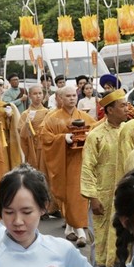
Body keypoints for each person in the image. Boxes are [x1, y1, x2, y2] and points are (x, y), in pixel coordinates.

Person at [39, 86, 97, 245]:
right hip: (64, 161)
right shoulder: (53, 118)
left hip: (82, 161)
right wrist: (64, 138)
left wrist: (88, 134)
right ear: (61, 99)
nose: (72, 98)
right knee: (71, 195)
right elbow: (45, 137)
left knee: (78, 195)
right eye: (68, 96)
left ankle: (79, 231)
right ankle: (75, 229)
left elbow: (95, 129)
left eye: (74, 95)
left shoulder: (84, 116)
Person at [80, 89, 127, 267]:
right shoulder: (96, 135)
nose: (127, 109)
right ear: (110, 110)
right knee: (100, 240)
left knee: (123, 238)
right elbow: (87, 167)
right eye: (122, 106)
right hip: (103, 196)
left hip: (125, 194)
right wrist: (92, 197)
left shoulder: (129, 131)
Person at [18, 84, 49, 171]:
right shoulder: (25, 114)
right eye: (35, 94)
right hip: (31, 146)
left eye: (40, 93)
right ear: (29, 96)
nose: (38, 96)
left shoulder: (48, 112)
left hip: (44, 145)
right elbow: (21, 132)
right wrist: (27, 124)